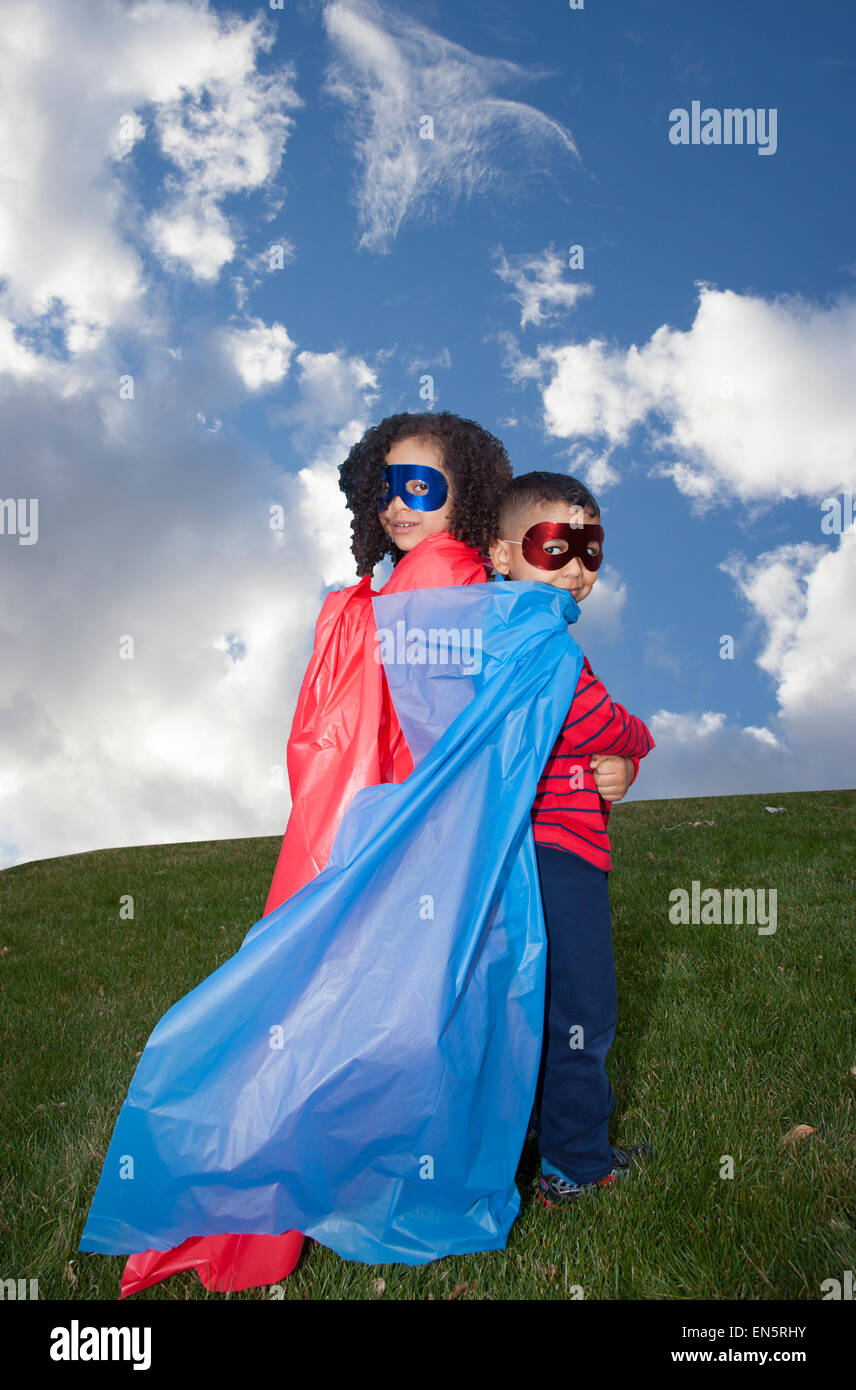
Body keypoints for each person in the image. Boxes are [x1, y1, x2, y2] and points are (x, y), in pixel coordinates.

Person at [85, 411, 528, 1297]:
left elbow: (448, 719)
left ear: (465, 496)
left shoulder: (441, 579)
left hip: (381, 835)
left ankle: (263, 1198)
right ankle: (322, 1183)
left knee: (325, 1006)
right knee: (384, 1008)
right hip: (386, 833)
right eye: (387, 486)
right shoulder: (408, 582)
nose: (400, 504)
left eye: (423, 486)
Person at [489, 471, 655, 1207]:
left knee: (536, 1007)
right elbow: (595, 723)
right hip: (558, 855)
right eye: (555, 545)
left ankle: (548, 1144)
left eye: (591, 548)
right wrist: (636, 744)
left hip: (531, 851)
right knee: (582, 1011)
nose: (579, 566)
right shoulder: (537, 635)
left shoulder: (507, 623)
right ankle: (579, 1167)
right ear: (503, 553)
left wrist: (612, 767)